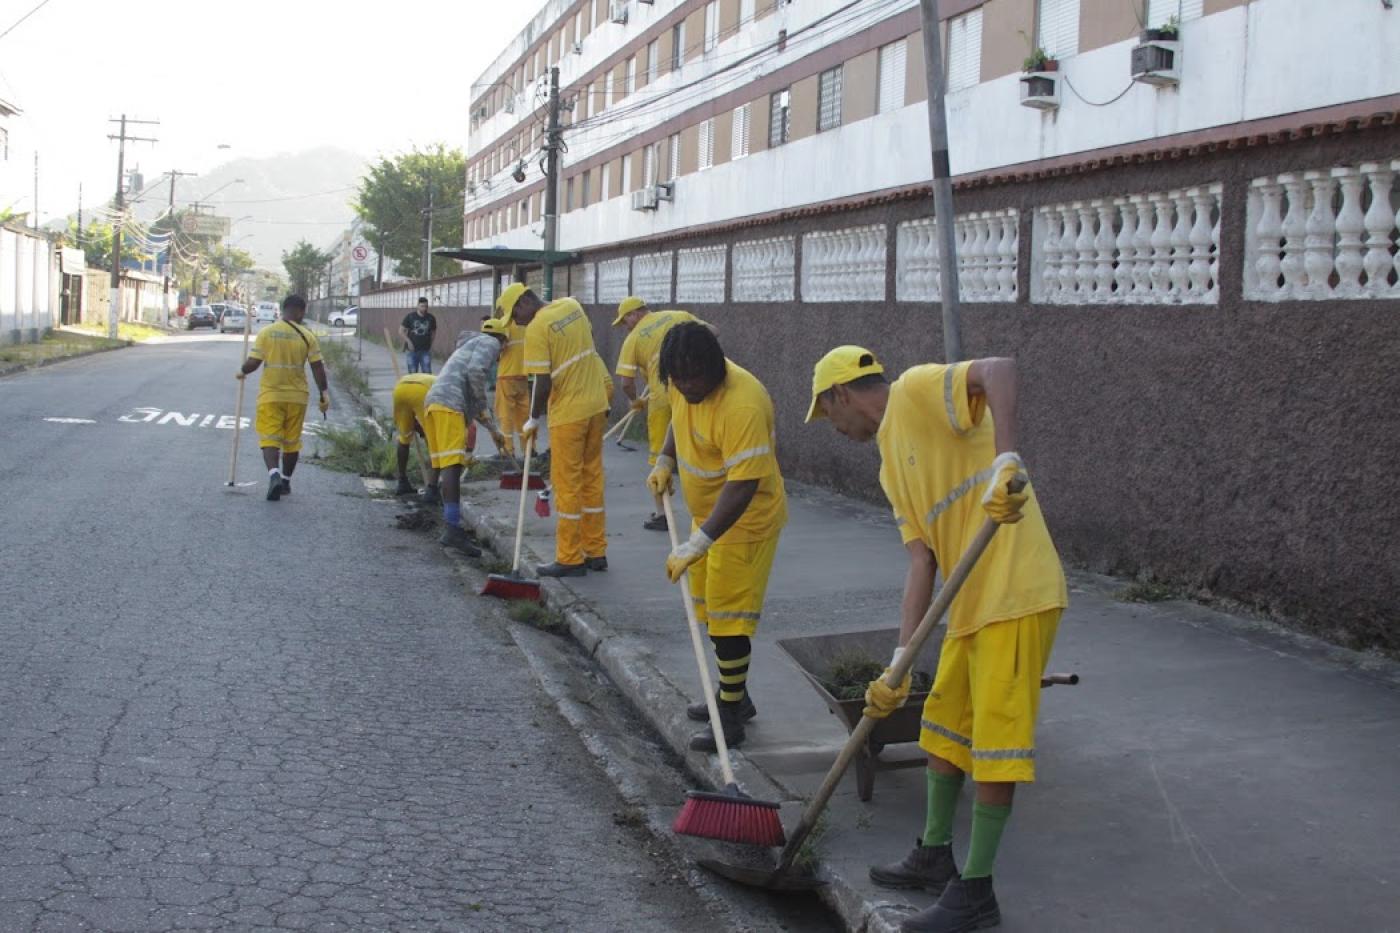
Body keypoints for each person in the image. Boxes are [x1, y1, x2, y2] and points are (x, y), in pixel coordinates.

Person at [806, 346, 1068, 933]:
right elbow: (921, 561)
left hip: (1017, 590)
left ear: (841, 394)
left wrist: (1006, 460)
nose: (833, 428)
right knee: (944, 728)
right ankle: (933, 851)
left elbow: (1001, 368)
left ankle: (975, 892)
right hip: (969, 602)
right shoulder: (887, 464)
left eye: (827, 415)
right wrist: (899, 663)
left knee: (996, 747)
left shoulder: (917, 390)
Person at [648, 323, 786, 752]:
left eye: (695, 378)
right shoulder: (679, 380)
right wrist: (665, 460)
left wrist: (699, 542)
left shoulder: (742, 403)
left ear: (716, 368)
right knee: (710, 613)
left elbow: (743, 485)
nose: (687, 386)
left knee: (730, 620)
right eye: (679, 378)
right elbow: (676, 414)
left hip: (746, 521)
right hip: (707, 517)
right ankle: (736, 695)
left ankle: (729, 714)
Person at [512, 286, 610, 577]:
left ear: (525, 301)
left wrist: (532, 419)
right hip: (596, 404)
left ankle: (569, 558)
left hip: (569, 414)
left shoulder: (537, 328)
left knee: (567, 484)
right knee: (592, 478)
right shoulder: (572, 305)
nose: (516, 322)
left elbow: (541, 382)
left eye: (515, 314)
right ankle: (596, 551)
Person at [611, 296, 705, 532]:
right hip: (696, 391)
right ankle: (709, 509)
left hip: (663, 399)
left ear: (634, 314)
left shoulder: (633, 340)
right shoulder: (679, 315)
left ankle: (662, 514)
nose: (626, 326)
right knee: (702, 448)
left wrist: (634, 401)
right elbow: (713, 332)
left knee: (660, 458)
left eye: (625, 321)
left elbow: (625, 382)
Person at [421, 318, 512, 556]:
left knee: (443, 463)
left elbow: (472, 393)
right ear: (501, 340)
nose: (502, 353)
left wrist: (493, 429)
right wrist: (483, 403)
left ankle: (446, 518)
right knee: (453, 465)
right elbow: (475, 373)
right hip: (450, 405)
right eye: (505, 347)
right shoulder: (490, 343)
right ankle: (452, 530)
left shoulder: (468, 345)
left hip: (434, 403)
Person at [236, 294, 329, 502]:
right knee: (291, 441)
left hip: (271, 394)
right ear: (301, 311)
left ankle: (274, 475)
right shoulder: (307, 336)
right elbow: (317, 368)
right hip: (297, 397)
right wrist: (324, 394)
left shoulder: (267, 333)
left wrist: (242, 370)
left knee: (270, 438)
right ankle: (286, 481)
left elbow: (253, 363)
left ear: (283, 309)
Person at [491, 284, 532, 458]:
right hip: (523, 375)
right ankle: (529, 450)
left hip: (506, 376)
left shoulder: (504, 324)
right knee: (523, 416)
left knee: (505, 416)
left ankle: (507, 450)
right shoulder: (526, 324)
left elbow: (500, 346)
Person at [392, 372, 436, 498]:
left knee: (404, 438)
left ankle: (402, 482)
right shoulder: (446, 388)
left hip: (400, 388)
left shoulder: (437, 380)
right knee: (433, 440)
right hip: (421, 392)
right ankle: (432, 488)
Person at [400, 297, 437, 374]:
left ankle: (427, 386)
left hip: (425, 351)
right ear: (417, 306)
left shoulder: (431, 318)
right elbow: (400, 331)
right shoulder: (410, 317)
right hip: (412, 351)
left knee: (427, 373)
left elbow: (433, 332)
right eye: (422, 306)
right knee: (412, 374)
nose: (424, 308)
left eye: (426, 306)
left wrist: (431, 344)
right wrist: (409, 342)